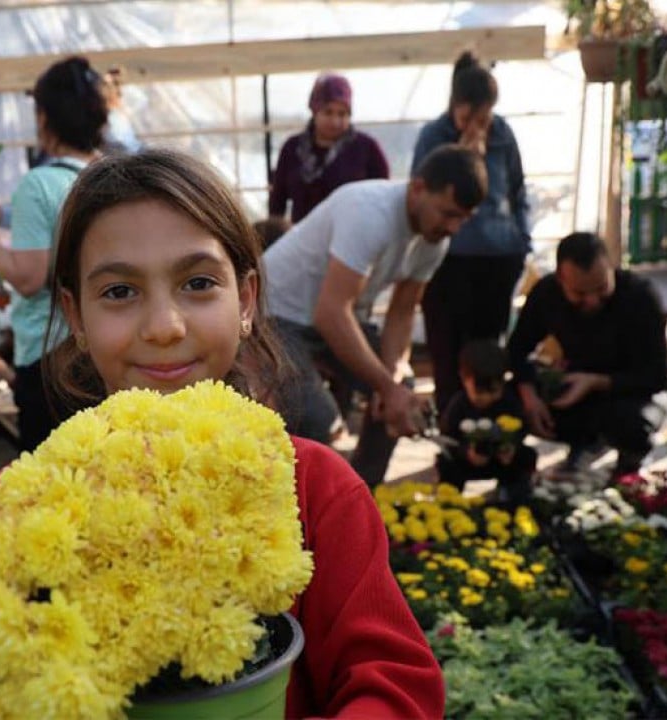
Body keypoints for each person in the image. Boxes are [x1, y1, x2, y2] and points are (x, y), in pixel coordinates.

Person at [41, 147, 444, 717]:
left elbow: (395, 686)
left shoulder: (317, 490)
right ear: (75, 316)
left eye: (198, 282)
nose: (164, 327)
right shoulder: (25, 508)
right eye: (119, 292)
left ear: (247, 300)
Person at [265, 143, 488, 488]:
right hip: (275, 314)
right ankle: (305, 510)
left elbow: (402, 313)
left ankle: (360, 495)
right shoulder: (370, 212)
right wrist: (384, 385)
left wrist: (395, 380)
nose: (454, 227)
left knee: (405, 388)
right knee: (317, 419)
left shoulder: (435, 241)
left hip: (327, 316)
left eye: (463, 218)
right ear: (417, 188)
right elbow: (332, 313)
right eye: (448, 213)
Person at [0, 56, 108, 452]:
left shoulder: (39, 183)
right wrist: (5, 213)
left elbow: (29, 279)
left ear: (45, 119)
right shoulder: (105, 176)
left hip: (50, 362)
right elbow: (66, 221)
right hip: (97, 351)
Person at [412, 51, 532, 430]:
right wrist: (465, 153)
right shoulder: (434, 135)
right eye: (469, 117)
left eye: (485, 118)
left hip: (498, 254)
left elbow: (517, 187)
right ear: (454, 106)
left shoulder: (504, 134)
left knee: (487, 348)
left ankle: (492, 429)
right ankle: (453, 427)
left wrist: (522, 237)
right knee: (446, 345)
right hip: (448, 258)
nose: (479, 125)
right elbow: (424, 193)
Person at [506, 232, 667, 475]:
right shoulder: (546, 293)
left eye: (601, 288)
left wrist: (596, 382)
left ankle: (630, 462)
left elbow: (656, 375)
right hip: (575, 385)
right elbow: (517, 349)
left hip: (633, 391)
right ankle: (520, 471)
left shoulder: (641, 297)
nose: (593, 300)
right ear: (561, 280)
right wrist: (530, 398)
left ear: (610, 267)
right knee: (505, 401)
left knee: (630, 421)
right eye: (580, 294)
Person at [267, 73, 390, 224]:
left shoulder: (366, 148)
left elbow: (383, 197)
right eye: (328, 112)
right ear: (314, 110)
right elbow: (277, 201)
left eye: (342, 114)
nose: (335, 121)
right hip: (303, 239)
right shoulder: (292, 149)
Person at [437, 339, 537, 506]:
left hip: (501, 459)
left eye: (494, 391)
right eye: (480, 391)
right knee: (445, 462)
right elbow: (447, 437)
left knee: (527, 456)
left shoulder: (508, 402)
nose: (486, 398)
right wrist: (465, 452)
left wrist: (512, 447)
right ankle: (449, 503)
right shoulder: (459, 403)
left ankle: (513, 498)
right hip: (468, 458)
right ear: (464, 378)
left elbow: (522, 427)